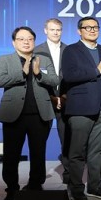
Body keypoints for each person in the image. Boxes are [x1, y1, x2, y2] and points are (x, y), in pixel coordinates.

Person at [0, 27, 59, 200]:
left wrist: (39, 73)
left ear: (34, 41)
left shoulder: (44, 59)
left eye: (30, 39)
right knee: (11, 154)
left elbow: (55, 80)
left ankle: (35, 186)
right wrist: (22, 72)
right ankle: (12, 190)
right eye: (21, 39)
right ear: (13, 42)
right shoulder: (5, 59)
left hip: (40, 114)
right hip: (13, 114)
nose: (26, 42)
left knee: (38, 153)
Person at [61, 17, 101, 200]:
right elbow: (69, 76)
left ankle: (94, 186)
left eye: (95, 27)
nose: (92, 30)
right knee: (77, 152)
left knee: (98, 151)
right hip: (81, 108)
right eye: (88, 27)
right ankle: (76, 188)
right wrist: (98, 70)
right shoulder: (71, 50)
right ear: (79, 31)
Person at [33, 18, 67, 182]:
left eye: (58, 29)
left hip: (65, 100)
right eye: (52, 29)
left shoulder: (69, 50)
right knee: (39, 141)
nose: (55, 32)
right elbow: (34, 79)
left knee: (67, 140)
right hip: (44, 101)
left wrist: (63, 96)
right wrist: (52, 97)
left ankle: (69, 174)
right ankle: (37, 177)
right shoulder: (35, 51)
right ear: (45, 30)